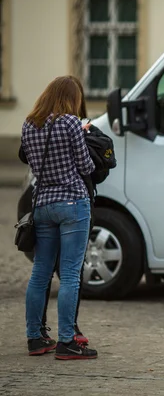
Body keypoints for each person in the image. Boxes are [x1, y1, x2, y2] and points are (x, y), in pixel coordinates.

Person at [21, 76, 98, 359]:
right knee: (69, 276)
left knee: (40, 274)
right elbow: (86, 165)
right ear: (71, 98)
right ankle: (67, 341)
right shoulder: (69, 123)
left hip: (42, 204)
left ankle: (35, 338)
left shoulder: (29, 124)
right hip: (72, 203)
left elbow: (30, 161)